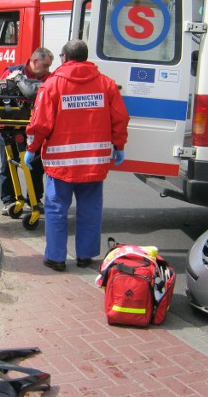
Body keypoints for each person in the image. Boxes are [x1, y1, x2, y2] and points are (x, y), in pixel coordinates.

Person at [25, 40, 129, 271]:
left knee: (56, 210)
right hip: (94, 162)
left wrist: (31, 149)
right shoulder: (107, 85)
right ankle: (85, 256)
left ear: (64, 58)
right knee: (90, 211)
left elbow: (40, 124)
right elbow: (120, 118)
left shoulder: (52, 86)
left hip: (61, 164)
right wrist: (119, 146)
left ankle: (56, 258)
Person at [0, 47, 54, 216]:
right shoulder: (11, 72)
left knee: (36, 166)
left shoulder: (48, 78)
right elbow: (0, 91)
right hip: (9, 126)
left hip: (34, 128)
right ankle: (9, 201)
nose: (47, 69)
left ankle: (34, 200)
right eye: (45, 65)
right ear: (35, 61)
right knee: (8, 164)